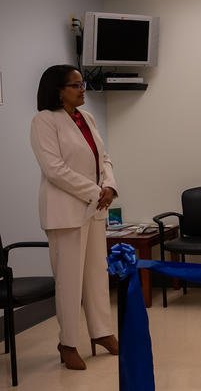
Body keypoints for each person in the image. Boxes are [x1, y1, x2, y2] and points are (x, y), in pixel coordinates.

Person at [30, 65, 119, 370]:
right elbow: (54, 169)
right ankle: (67, 343)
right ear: (58, 89)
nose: (83, 89)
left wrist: (109, 186)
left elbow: (103, 157)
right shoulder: (44, 120)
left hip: (93, 209)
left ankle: (102, 332)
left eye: (83, 84)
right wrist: (96, 191)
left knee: (97, 273)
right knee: (69, 282)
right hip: (65, 212)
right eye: (76, 85)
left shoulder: (87, 118)